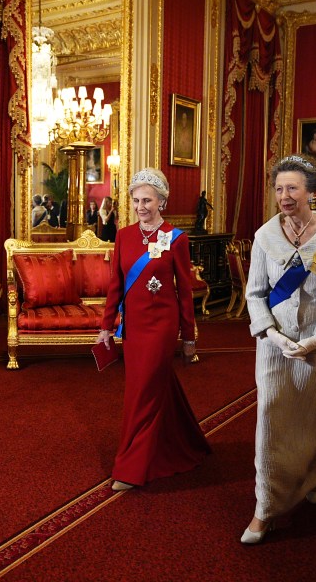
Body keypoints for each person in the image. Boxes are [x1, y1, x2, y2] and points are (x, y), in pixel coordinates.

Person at [241, 154, 316, 544]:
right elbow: (254, 293)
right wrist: (272, 335)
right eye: (278, 189)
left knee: (311, 415)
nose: (284, 196)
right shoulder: (265, 236)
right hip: (274, 344)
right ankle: (265, 507)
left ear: (311, 191)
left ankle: (312, 475)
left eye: (292, 188)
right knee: (270, 418)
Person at [95, 168, 210, 491]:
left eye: (147, 200)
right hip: (134, 327)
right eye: (135, 200)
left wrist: (189, 337)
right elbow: (115, 285)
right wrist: (107, 327)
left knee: (144, 391)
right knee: (148, 387)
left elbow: (184, 291)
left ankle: (131, 467)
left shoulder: (177, 238)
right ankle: (186, 439)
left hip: (161, 326)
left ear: (162, 201)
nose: (140, 206)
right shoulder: (123, 235)